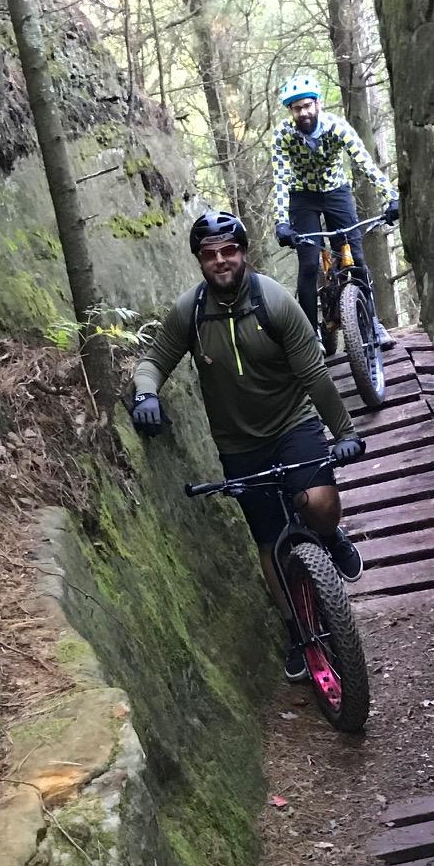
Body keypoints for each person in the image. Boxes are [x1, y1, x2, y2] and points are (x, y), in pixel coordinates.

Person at [131, 211, 368, 682]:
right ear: (200, 260)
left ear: (243, 252)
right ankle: (297, 631)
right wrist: (145, 393)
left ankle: (329, 536)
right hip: (238, 444)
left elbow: (315, 376)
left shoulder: (274, 302)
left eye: (229, 251)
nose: (221, 261)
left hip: (293, 424)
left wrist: (343, 433)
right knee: (268, 540)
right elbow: (154, 360)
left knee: (320, 504)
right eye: (210, 255)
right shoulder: (191, 312)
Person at [271, 72, 400, 337]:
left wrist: (392, 196)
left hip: (336, 192)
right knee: (308, 264)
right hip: (302, 196)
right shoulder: (283, 135)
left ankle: (372, 324)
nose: (303, 113)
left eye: (307, 106)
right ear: (290, 111)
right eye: (297, 109)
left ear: (317, 104)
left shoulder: (336, 127)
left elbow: (364, 163)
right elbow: (281, 178)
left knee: (354, 259)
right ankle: (309, 336)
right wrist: (281, 221)